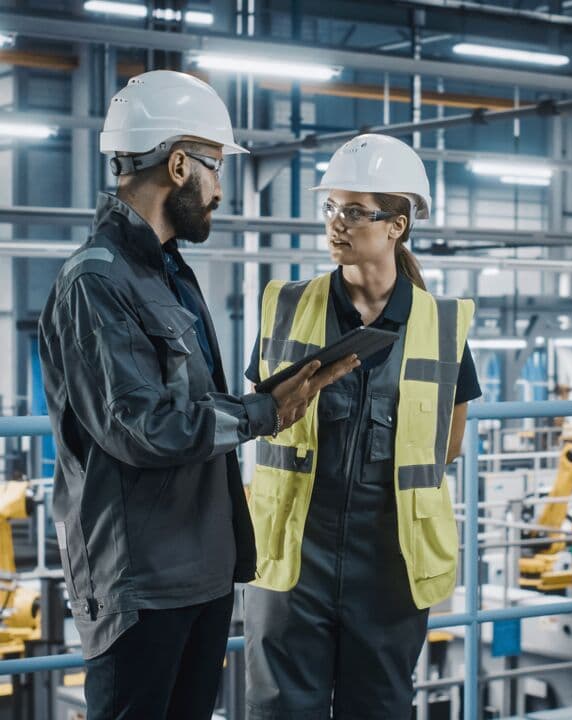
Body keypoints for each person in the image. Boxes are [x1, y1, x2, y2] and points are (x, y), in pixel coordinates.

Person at [38, 70, 359, 720]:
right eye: (215, 169)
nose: (220, 189)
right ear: (179, 164)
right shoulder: (95, 283)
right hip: (141, 583)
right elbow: (140, 427)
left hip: (203, 570)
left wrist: (271, 399)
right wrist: (266, 412)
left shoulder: (172, 273)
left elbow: (184, 406)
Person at [243, 133, 482, 719]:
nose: (336, 224)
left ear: (397, 224)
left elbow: (448, 444)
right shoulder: (287, 305)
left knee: (378, 707)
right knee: (280, 708)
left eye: (353, 211)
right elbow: (261, 414)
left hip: (391, 561)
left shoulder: (442, 325)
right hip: (294, 551)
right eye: (331, 209)